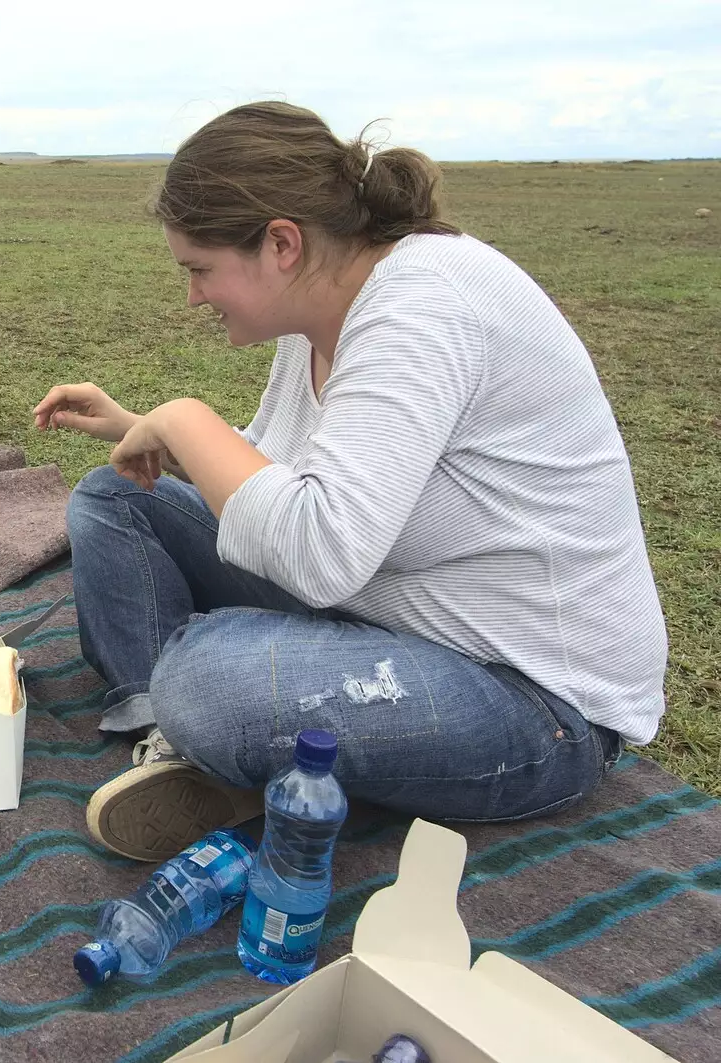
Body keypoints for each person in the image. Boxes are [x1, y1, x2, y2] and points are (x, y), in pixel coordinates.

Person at [35, 102, 667, 863]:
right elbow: (274, 473)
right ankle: (171, 743)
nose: (193, 297)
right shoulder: (326, 309)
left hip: (532, 700)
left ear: (281, 244)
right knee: (116, 499)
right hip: (395, 613)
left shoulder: (421, 310)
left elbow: (319, 550)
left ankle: (204, 718)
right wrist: (142, 426)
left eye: (199, 269)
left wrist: (184, 416)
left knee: (208, 677)